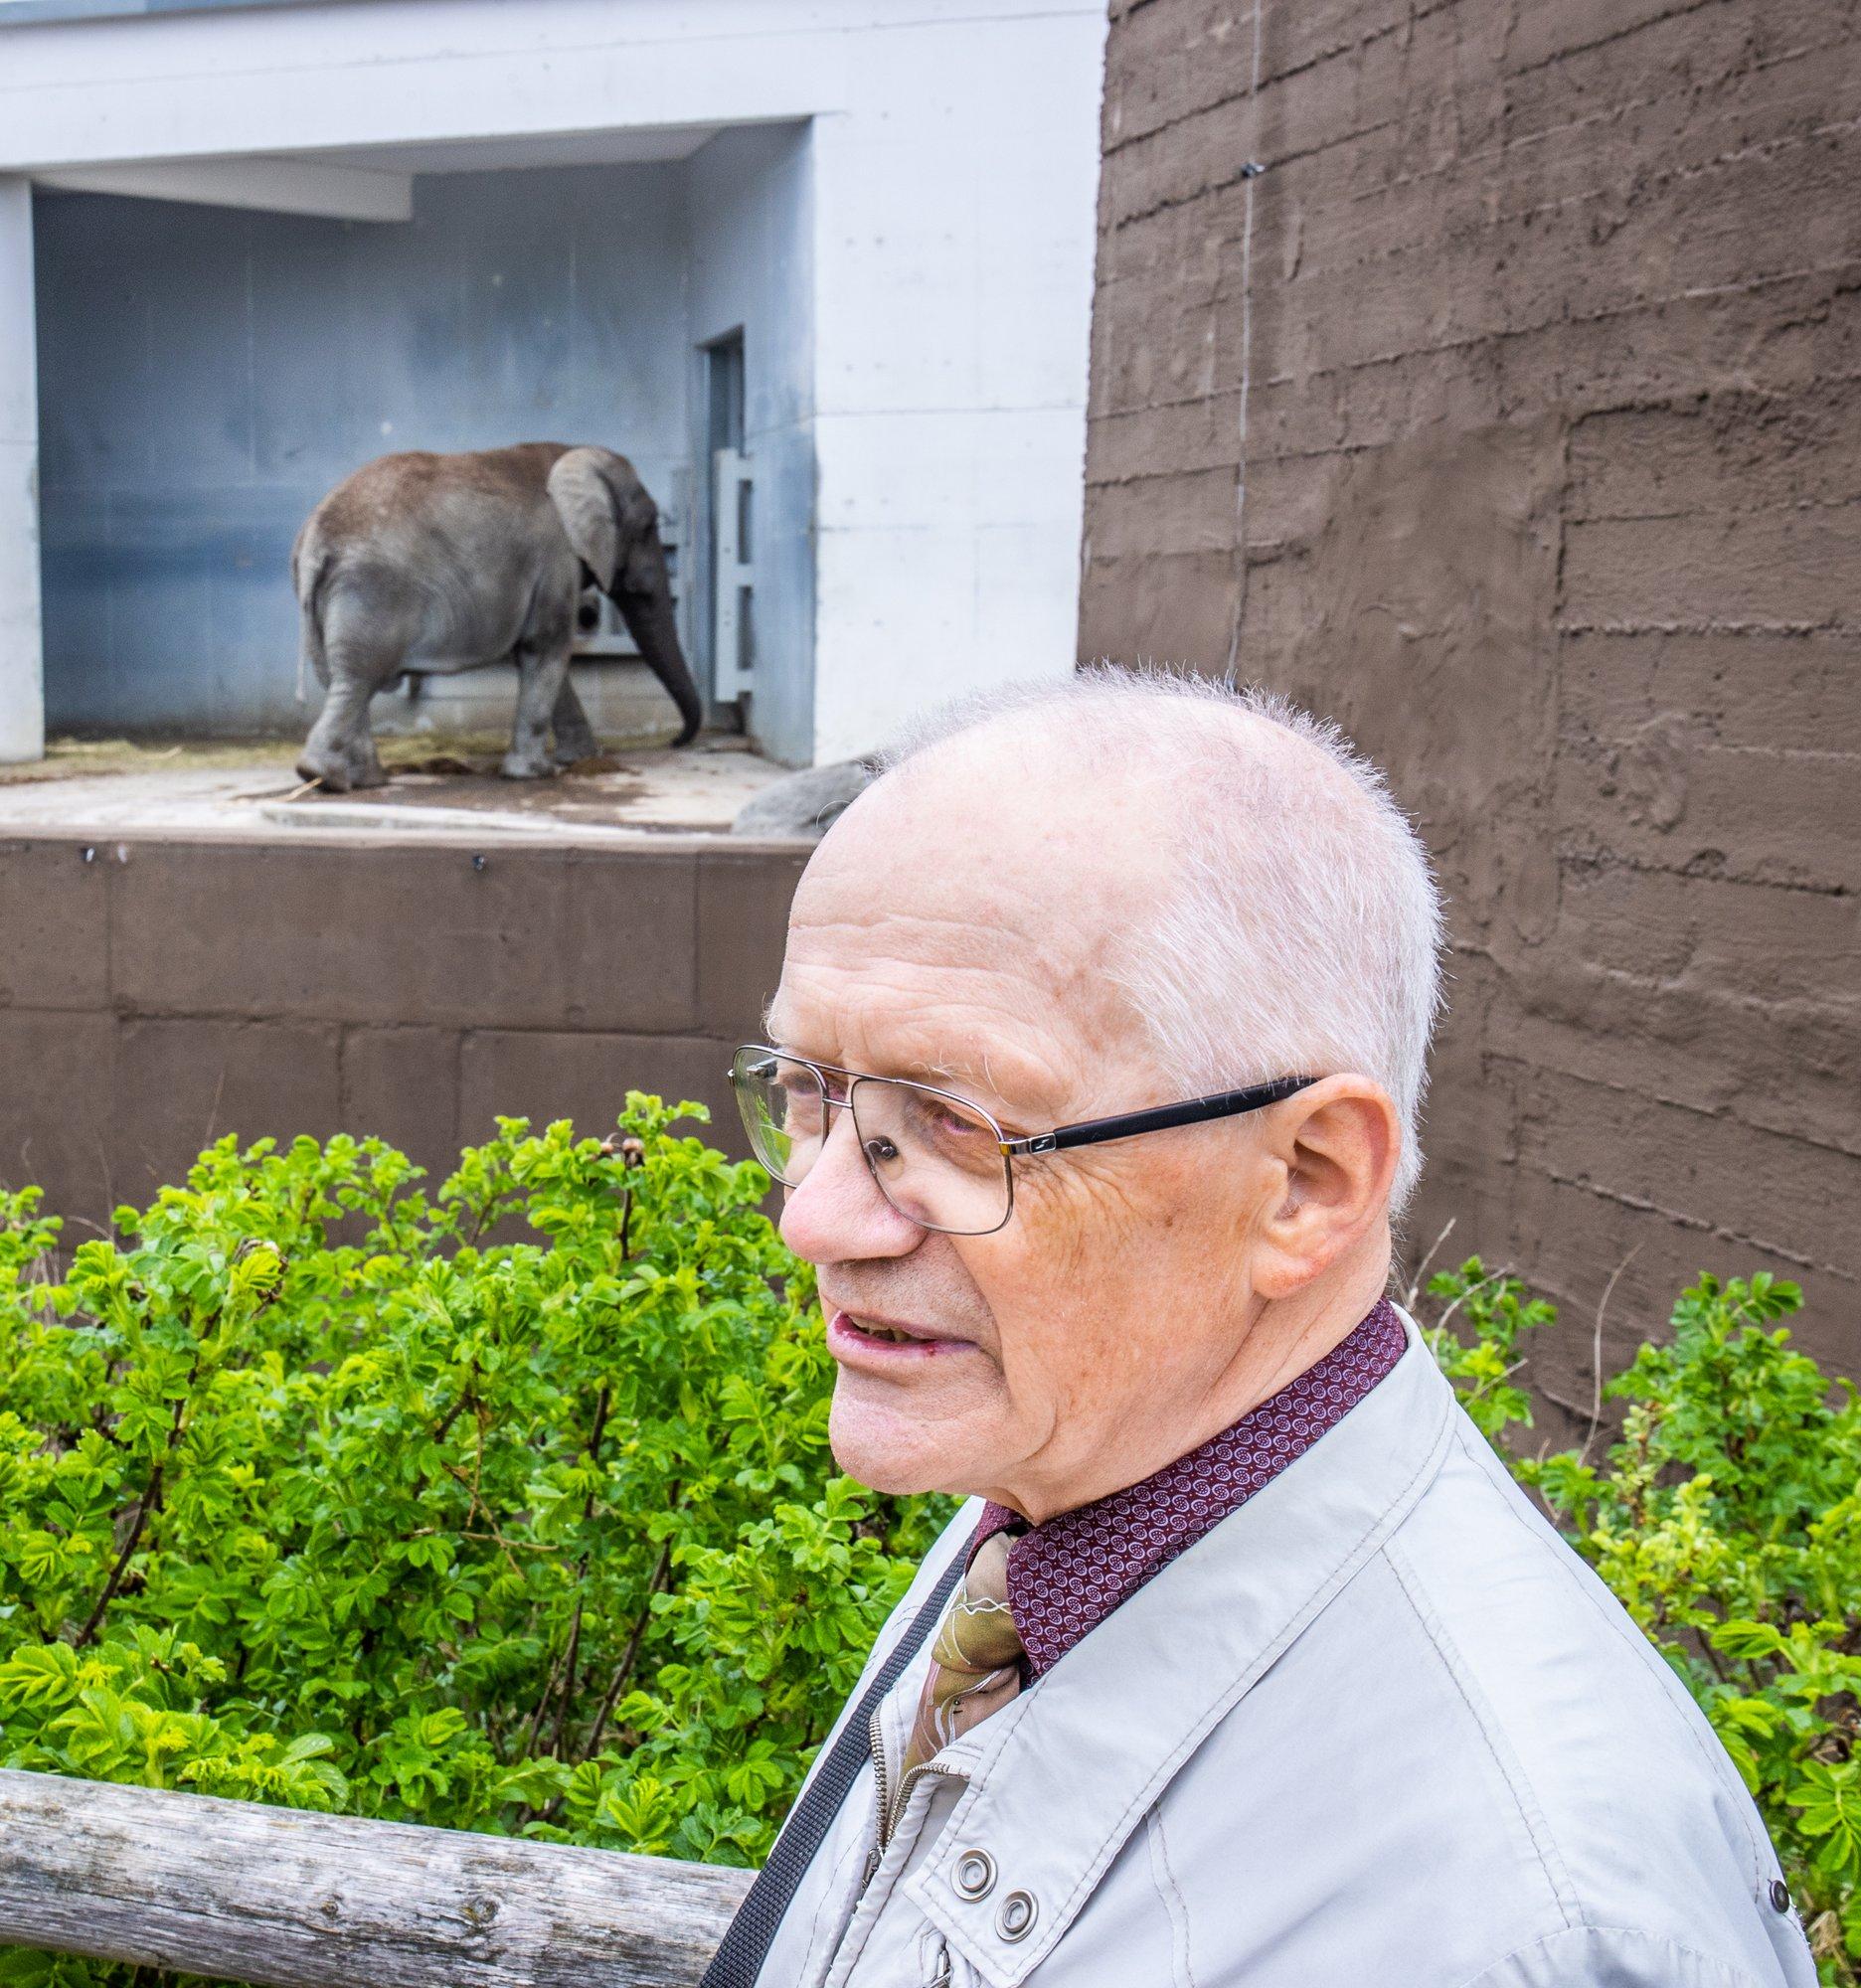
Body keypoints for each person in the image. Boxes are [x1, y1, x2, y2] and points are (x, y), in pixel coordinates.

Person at [717, 670, 1813, 1988]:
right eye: (804, 1091)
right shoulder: (1076, 1494)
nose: (817, 1219)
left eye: (955, 1124)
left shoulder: (1515, 1921)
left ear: (1304, 1185)